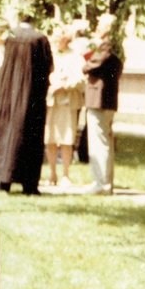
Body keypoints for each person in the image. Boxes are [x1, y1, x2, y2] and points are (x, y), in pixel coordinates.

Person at [0, 14, 54, 195]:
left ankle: (4, 180)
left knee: (6, 134)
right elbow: (48, 66)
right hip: (30, 95)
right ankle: (29, 184)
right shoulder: (39, 38)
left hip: (8, 94)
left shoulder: (10, 36)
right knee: (29, 136)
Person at [82, 14, 124, 195]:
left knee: (99, 141)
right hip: (106, 100)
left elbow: (91, 65)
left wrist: (85, 64)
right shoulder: (117, 46)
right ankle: (103, 182)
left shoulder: (106, 45)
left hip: (99, 99)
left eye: (100, 24)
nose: (97, 26)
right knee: (103, 140)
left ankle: (102, 184)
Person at [44, 26, 85, 188]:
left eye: (60, 35)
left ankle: (66, 175)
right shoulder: (49, 54)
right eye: (54, 35)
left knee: (67, 139)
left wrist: (65, 85)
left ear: (66, 37)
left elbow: (81, 79)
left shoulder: (75, 56)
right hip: (51, 101)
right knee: (50, 138)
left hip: (67, 102)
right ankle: (52, 173)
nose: (56, 38)